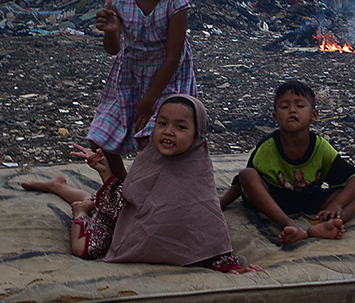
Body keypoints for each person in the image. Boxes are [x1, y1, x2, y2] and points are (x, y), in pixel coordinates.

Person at [22, 95, 259, 273]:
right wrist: (105, 171)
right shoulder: (150, 159)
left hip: (141, 222)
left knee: (97, 199)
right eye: (162, 123)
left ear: (198, 134)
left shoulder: (199, 175)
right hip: (126, 221)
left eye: (180, 127)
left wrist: (230, 266)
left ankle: (64, 188)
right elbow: (126, 201)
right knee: (83, 248)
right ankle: (80, 208)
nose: (168, 132)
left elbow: (207, 227)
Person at [88, 0, 197, 180]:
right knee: (101, 139)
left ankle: (154, 191)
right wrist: (111, 31)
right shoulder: (116, 1)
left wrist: (149, 101)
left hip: (169, 79)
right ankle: (126, 189)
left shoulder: (176, 3)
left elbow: (174, 56)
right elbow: (113, 49)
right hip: (130, 76)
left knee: (156, 142)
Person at [221, 80, 355, 245]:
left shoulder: (321, 148)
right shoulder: (268, 147)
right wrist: (223, 203)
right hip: (273, 200)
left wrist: (337, 205)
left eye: (300, 106)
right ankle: (289, 225)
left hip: (309, 197)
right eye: (284, 107)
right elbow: (244, 180)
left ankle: (326, 225)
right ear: (275, 117)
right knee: (247, 174)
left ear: (314, 115)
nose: (292, 110)